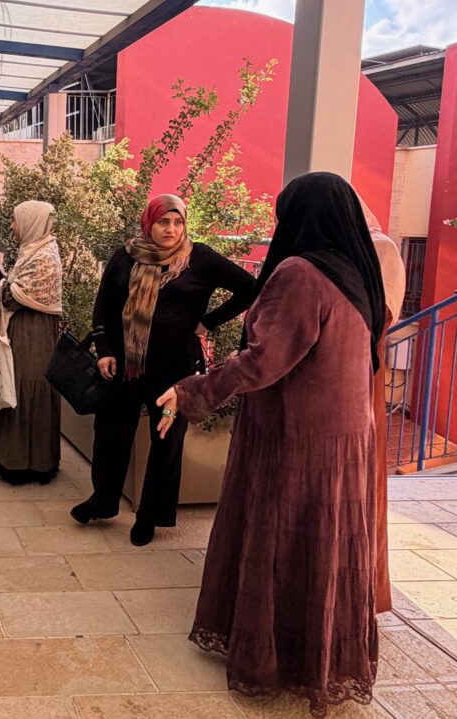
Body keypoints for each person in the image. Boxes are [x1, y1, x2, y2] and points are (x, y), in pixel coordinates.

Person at [155, 172, 384, 717]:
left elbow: (263, 361)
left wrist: (191, 391)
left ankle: (275, 658)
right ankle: (315, 655)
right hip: (345, 436)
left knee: (283, 539)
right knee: (321, 544)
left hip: (296, 437)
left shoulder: (300, 274)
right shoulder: (356, 272)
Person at [70, 194, 255, 545]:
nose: (171, 229)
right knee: (110, 432)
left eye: (177, 222)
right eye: (163, 222)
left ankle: (149, 517)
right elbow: (104, 305)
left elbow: (250, 288)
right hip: (125, 364)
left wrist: (208, 322)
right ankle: (104, 500)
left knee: (166, 441)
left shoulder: (199, 258)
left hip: (175, 369)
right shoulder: (127, 256)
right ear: (149, 223)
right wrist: (104, 350)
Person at [0, 201, 64, 484]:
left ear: (31, 222)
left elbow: (11, 296)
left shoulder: (43, 257)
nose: (12, 226)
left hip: (34, 337)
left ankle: (30, 464)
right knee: (12, 385)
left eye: (15, 220)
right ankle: (13, 459)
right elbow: (14, 290)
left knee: (24, 389)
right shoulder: (32, 251)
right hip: (24, 333)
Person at [360, 197, 407, 615]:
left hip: (359, 365)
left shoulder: (381, 247)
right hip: (341, 362)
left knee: (361, 470)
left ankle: (361, 583)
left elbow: (381, 315)